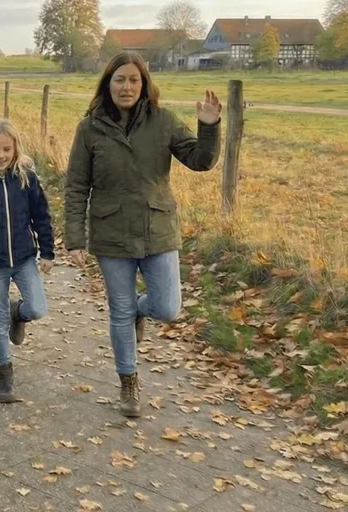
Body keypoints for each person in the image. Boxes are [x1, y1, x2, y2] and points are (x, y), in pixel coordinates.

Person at [63, 51, 222, 418]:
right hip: (111, 232)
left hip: (158, 229)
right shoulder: (89, 129)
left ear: (144, 84)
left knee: (166, 308)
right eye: (119, 79)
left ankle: (140, 311)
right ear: (108, 84)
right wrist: (75, 238)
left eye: (134, 79)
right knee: (119, 311)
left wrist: (208, 127)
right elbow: (75, 186)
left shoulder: (163, 121)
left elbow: (200, 161)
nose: (127, 86)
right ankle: (128, 384)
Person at [0, 118, 54, 404]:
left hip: (25, 257)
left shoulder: (26, 177)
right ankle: (4, 377)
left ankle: (21, 313)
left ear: (15, 148)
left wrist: (48, 251)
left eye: (6, 149)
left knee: (38, 308)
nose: (1, 155)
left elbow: (41, 215)